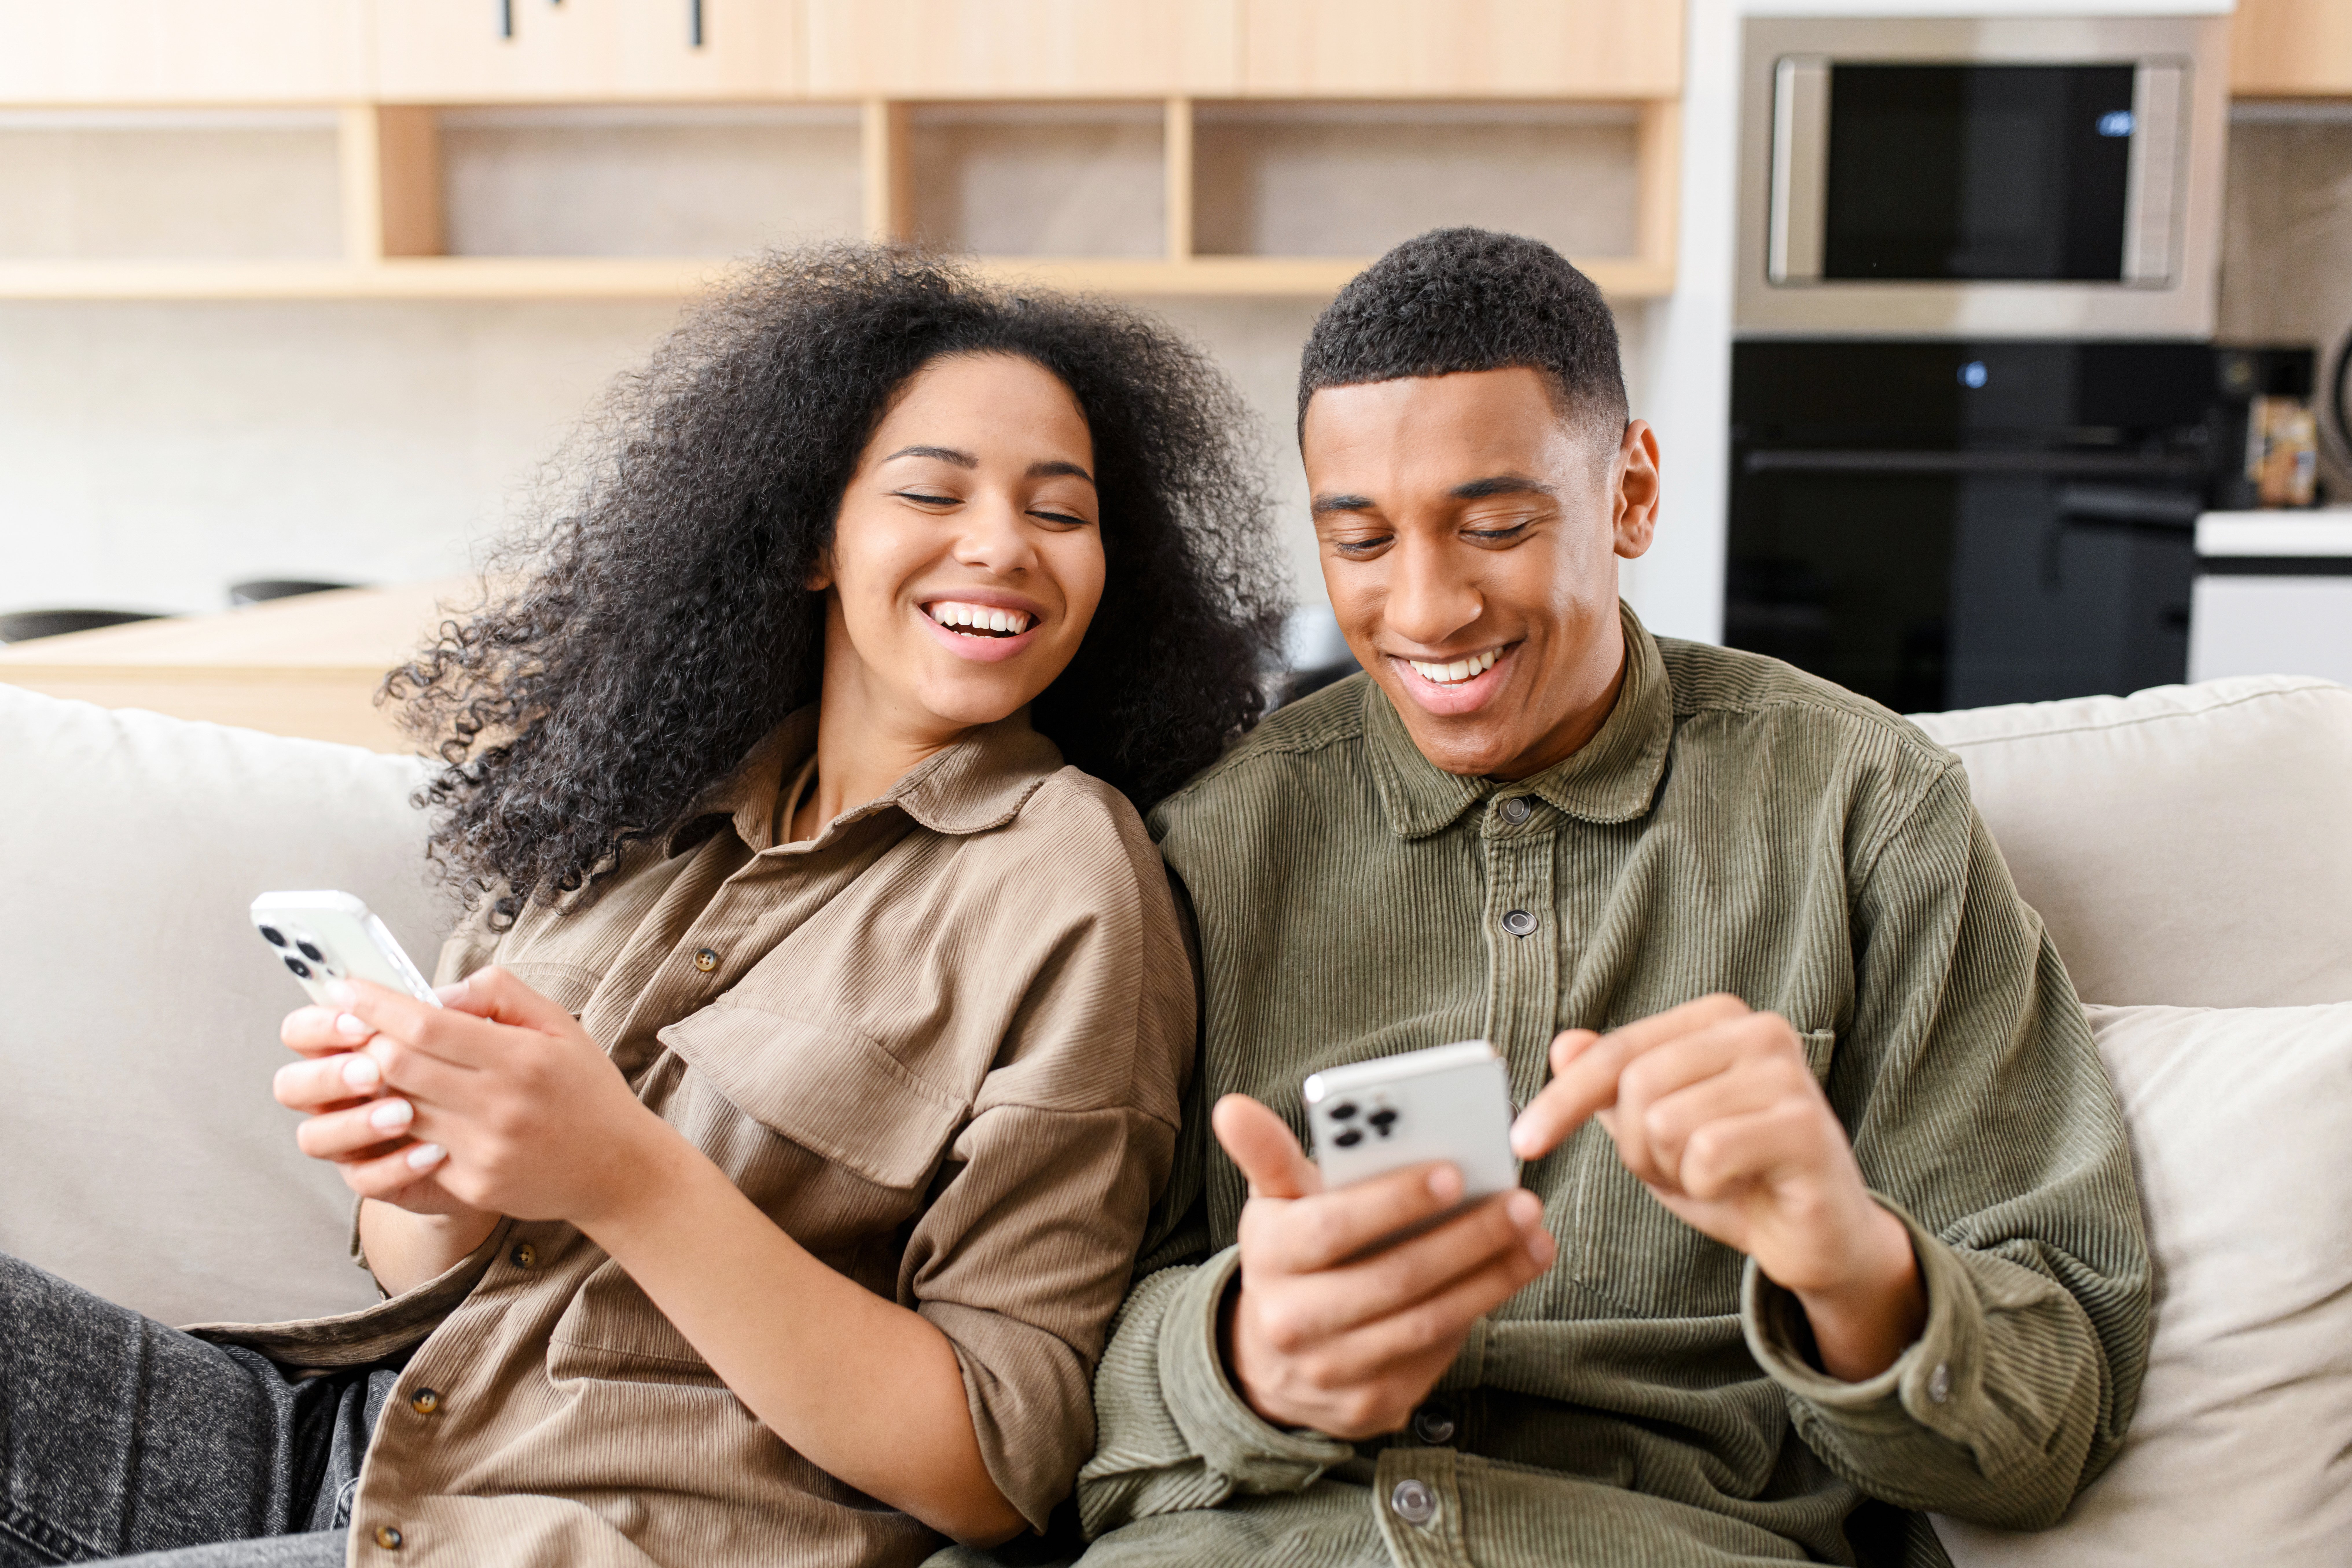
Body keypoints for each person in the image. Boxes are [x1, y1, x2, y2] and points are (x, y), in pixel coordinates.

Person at [0, 246, 1289, 1568]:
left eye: (1059, 513)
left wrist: (622, 1173)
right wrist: (424, 1164)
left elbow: (993, 1463)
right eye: (931, 492)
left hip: (595, 1532)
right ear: (807, 541)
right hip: (353, 1441)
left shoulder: (1068, 878)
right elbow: (409, 1263)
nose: (1002, 546)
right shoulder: (642, 800)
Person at [1065, 229, 2150, 1567]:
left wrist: (1857, 1265)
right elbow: (1044, 1371)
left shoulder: (1866, 808)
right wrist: (1233, 1355)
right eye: (1359, 539)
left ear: (1630, 492)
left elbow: (2054, 1410)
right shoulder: (1207, 844)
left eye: (1498, 526)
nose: (1427, 606)